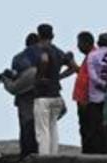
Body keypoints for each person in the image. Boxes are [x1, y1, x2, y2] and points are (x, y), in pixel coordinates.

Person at [32, 23, 77, 155]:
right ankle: (53, 155)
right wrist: (58, 77)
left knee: (43, 130)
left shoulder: (41, 51)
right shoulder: (58, 51)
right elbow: (74, 67)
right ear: (52, 36)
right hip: (56, 95)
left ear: (39, 35)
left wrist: (40, 77)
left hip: (42, 95)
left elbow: (44, 61)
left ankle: (44, 158)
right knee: (53, 127)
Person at [8, 33, 42, 155]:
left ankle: (26, 154)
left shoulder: (18, 58)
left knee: (25, 126)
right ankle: (40, 152)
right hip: (41, 94)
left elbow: (14, 77)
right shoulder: (43, 55)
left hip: (24, 97)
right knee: (41, 125)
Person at [83, 33, 107, 153]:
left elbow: (92, 75)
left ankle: (96, 150)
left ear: (98, 42)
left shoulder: (92, 55)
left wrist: (101, 83)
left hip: (95, 95)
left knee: (95, 125)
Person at [71, 31, 100, 153]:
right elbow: (82, 73)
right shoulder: (89, 56)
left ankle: (90, 151)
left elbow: (90, 79)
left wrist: (85, 98)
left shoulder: (93, 56)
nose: (78, 46)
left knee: (89, 127)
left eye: (79, 43)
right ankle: (87, 150)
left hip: (87, 99)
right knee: (85, 127)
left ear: (86, 43)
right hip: (84, 98)